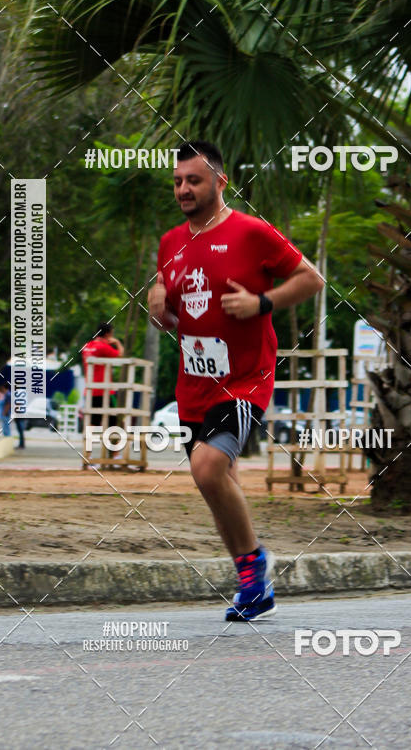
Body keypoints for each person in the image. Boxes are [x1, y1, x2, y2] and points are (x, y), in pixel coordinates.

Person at [147, 140, 324, 621]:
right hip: (194, 384)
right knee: (216, 481)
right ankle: (253, 588)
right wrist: (158, 306)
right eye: (179, 181)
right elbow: (178, 314)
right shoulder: (169, 243)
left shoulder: (252, 232)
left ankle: (253, 566)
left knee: (206, 469)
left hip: (246, 379)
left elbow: (311, 279)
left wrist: (262, 303)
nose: (184, 188)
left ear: (219, 182)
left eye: (194, 180)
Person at [82, 322, 124, 427]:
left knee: (94, 421)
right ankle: (115, 442)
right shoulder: (103, 347)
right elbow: (120, 355)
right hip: (104, 391)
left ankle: (88, 442)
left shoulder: (87, 346)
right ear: (107, 334)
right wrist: (117, 343)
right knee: (116, 418)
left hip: (90, 390)